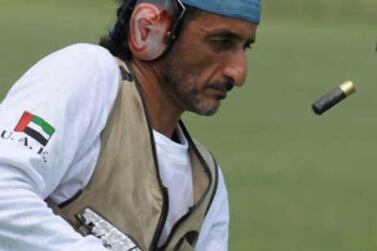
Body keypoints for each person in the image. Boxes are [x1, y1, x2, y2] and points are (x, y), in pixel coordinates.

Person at [0, 0, 261, 250]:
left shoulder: (206, 185)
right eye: (221, 42)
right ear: (148, 29)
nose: (238, 73)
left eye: (244, 47)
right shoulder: (89, 73)